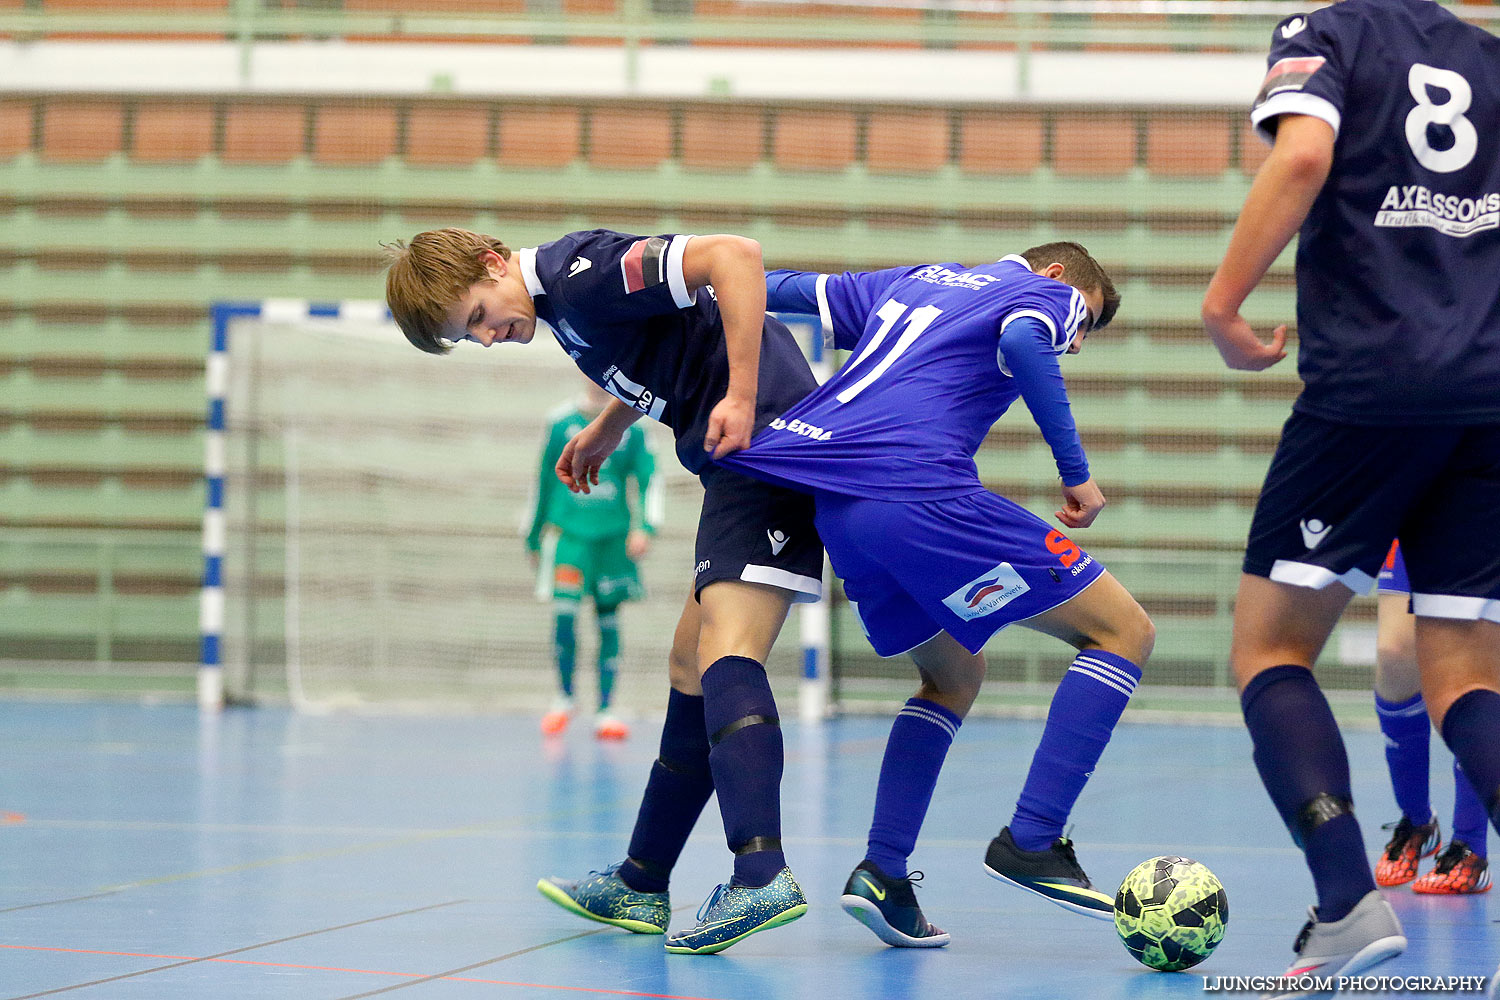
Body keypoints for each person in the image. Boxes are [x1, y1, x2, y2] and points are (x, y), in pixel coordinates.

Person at [385, 227, 825, 954]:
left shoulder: (581, 273)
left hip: (769, 448)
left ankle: (761, 873)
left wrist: (742, 396)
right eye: (472, 339)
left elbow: (735, 258)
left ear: (493, 266)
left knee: (726, 652)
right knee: (689, 665)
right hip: (741, 463)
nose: (489, 338)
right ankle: (642, 881)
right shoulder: (561, 305)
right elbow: (665, 342)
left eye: (477, 318)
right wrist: (609, 425)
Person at [717, 242, 1156, 946]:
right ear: (1058, 276)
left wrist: (671, 284)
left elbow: (767, 287)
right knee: (1125, 632)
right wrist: (1074, 472)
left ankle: (885, 872)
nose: (1071, 341)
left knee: (953, 674)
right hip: (921, 495)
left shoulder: (911, 281)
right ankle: (1034, 840)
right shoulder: (1042, 294)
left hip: (844, 513)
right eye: (1081, 324)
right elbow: (1023, 336)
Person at [1200, 0, 1500, 991]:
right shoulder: (1487, 56)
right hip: (1486, 396)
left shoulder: (1326, 33)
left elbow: (1299, 157)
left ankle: (1344, 901)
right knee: (1466, 680)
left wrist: (1224, 301)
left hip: (1372, 387)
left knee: (1270, 649)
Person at [526, 379, 662, 741]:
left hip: (612, 539)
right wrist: (533, 533)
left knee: (608, 621)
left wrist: (645, 526)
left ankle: (606, 709)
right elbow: (542, 480)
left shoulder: (634, 425)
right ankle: (564, 697)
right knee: (565, 614)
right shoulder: (559, 422)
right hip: (569, 538)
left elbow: (650, 477)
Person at [1372, 541, 1490, 894]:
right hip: (1420, 497)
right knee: (1394, 654)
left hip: (1485, 505)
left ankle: (1471, 848)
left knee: (1475, 669)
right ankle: (1418, 823)